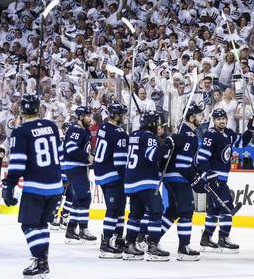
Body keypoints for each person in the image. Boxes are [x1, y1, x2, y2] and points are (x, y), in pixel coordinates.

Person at [1, 95, 64, 278]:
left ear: (21, 111)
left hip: (36, 187)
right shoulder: (51, 126)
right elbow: (60, 154)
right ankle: (41, 260)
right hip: (55, 185)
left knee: (29, 225)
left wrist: (9, 184)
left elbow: (18, 163)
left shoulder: (21, 132)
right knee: (42, 224)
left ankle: (41, 261)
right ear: (39, 110)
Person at [196, 108, 254, 253]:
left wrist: (251, 128)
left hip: (221, 178)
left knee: (214, 209)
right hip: (214, 178)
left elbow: (242, 142)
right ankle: (224, 238)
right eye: (218, 119)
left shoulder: (229, 133)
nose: (222, 121)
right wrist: (210, 175)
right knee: (227, 206)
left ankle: (206, 238)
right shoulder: (210, 135)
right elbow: (202, 158)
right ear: (214, 120)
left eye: (223, 118)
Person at [123, 111, 171, 261]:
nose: (159, 125)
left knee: (135, 215)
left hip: (131, 180)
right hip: (145, 181)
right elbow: (153, 156)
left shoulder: (134, 134)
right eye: (157, 122)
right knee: (156, 212)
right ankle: (153, 247)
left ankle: (129, 246)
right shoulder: (149, 137)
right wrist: (168, 144)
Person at [161, 103, 203, 261]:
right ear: (191, 117)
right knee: (186, 211)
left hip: (170, 177)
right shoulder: (190, 135)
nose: (202, 118)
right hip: (179, 177)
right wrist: (194, 178)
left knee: (173, 211)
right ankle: (184, 248)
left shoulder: (182, 131)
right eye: (199, 115)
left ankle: (151, 239)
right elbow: (183, 164)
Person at [93, 101, 129, 258]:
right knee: (114, 209)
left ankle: (118, 238)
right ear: (116, 115)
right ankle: (106, 242)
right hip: (113, 174)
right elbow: (120, 161)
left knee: (119, 208)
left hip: (101, 173)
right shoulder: (119, 132)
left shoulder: (103, 127)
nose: (123, 117)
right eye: (121, 114)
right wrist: (126, 177)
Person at [61, 106, 96, 244]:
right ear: (81, 117)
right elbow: (71, 148)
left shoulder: (84, 130)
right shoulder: (77, 129)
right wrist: (87, 157)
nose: (90, 118)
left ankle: (71, 230)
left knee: (78, 198)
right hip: (75, 167)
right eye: (87, 116)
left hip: (78, 167)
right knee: (85, 197)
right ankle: (83, 229)